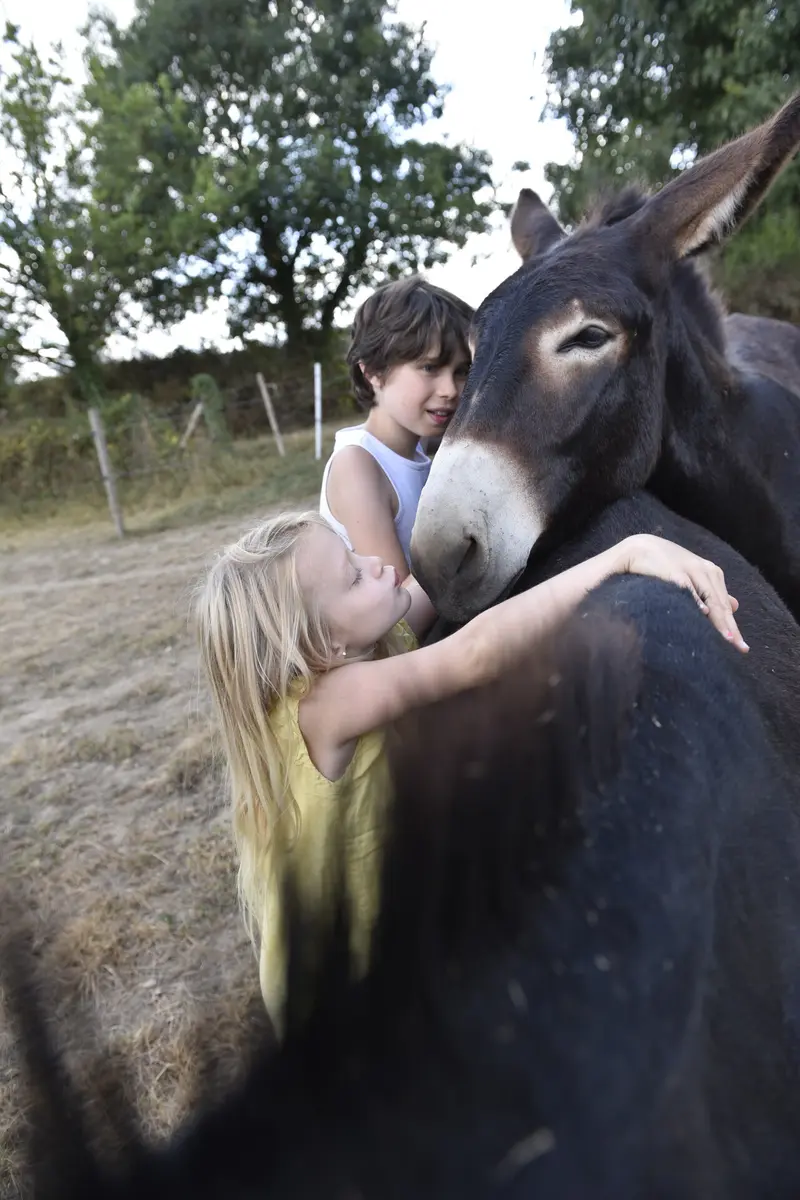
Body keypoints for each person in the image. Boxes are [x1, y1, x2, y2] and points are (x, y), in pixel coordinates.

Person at [195, 511, 748, 1035]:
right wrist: (622, 556)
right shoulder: (324, 704)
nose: (375, 564)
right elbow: (475, 653)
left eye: (354, 552)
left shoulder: (357, 647)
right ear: (323, 646)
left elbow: (437, 583)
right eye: (352, 576)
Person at [320, 276, 473, 580]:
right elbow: (398, 612)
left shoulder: (422, 454)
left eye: (461, 371)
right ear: (374, 371)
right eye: (430, 367)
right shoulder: (359, 465)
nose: (450, 389)